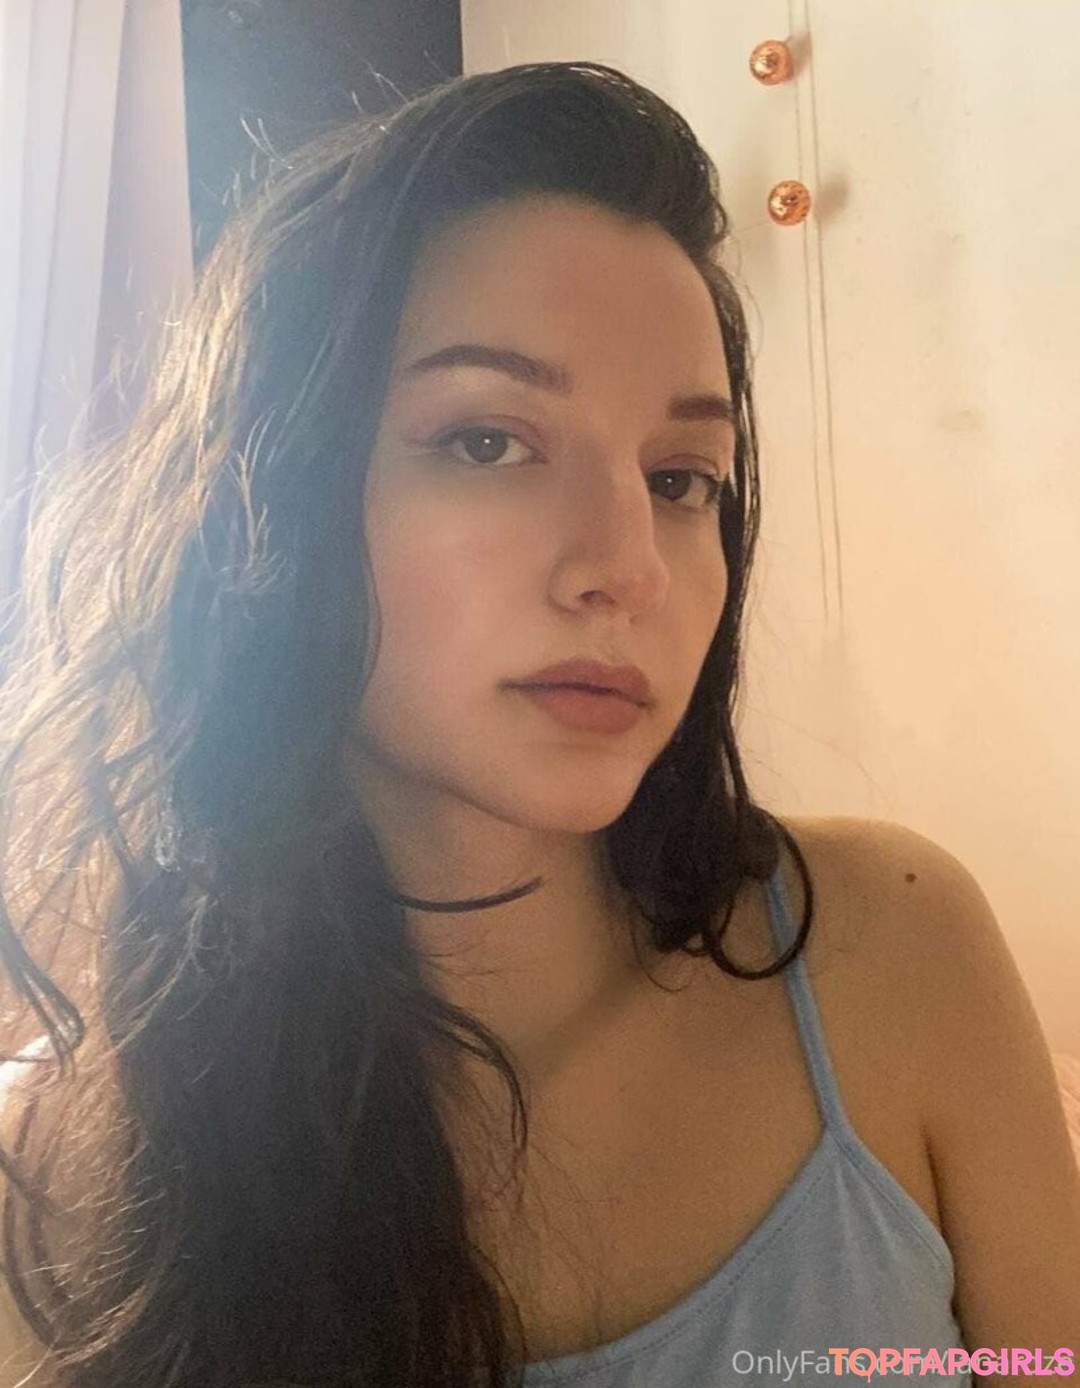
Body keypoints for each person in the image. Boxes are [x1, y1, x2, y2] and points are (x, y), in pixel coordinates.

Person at [0, 60, 1076, 1388]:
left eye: (682, 478)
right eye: (488, 443)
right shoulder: (58, 1179)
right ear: (262, 507)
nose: (627, 566)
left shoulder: (895, 948)